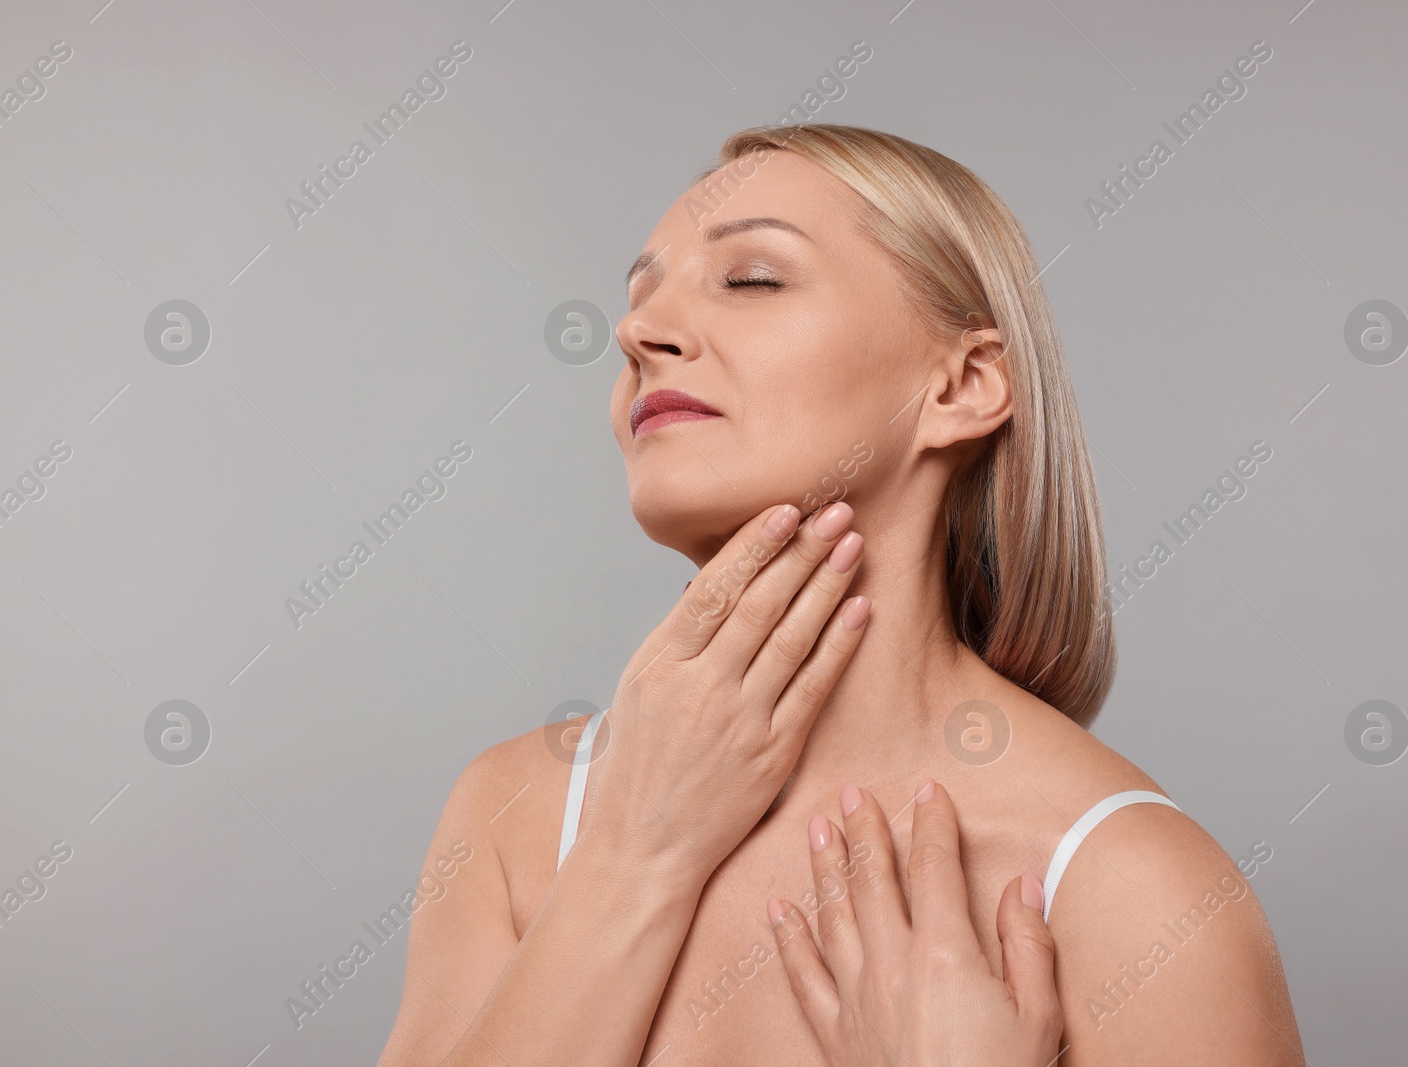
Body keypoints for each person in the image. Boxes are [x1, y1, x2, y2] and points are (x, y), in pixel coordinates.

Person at [378, 124, 1304, 1066]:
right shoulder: (516, 816)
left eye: (751, 279)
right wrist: (632, 856)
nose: (635, 334)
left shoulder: (1140, 898)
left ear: (964, 385)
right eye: (639, 296)